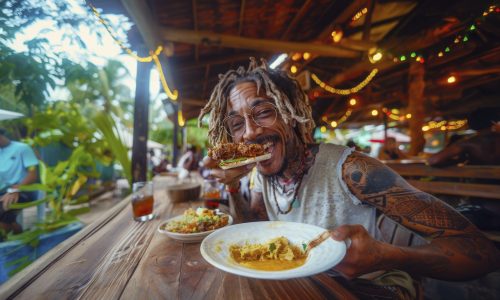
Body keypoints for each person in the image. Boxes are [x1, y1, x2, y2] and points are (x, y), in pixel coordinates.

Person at [198, 59, 499, 299]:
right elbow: (251, 229)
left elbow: (482, 253)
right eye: (237, 124)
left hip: (378, 287)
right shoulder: (261, 176)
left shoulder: (352, 169)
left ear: (291, 114)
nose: (249, 132)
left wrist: (386, 256)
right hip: (306, 286)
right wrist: (232, 185)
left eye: (262, 112)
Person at [427, 108, 500, 167]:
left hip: (480, 182)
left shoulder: (469, 143)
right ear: (493, 123)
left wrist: (460, 160)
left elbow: (434, 160)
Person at [0, 128, 39, 236]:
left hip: (24, 189)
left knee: (3, 211)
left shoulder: (22, 148)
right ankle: (18, 234)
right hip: (4, 191)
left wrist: (15, 189)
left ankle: (15, 238)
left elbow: (33, 174)